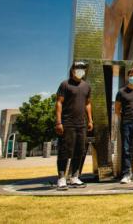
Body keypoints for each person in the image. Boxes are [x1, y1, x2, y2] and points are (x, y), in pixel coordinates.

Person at [55, 61, 93, 191]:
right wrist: (59, 122)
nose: (80, 70)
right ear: (72, 70)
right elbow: (59, 103)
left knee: (79, 150)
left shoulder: (86, 86)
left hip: (81, 124)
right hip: (67, 123)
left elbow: (88, 104)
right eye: (78, 67)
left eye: (82, 68)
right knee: (65, 151)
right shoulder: (65, 84)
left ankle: (74, 177)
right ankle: (61, 178)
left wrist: (90, 120)